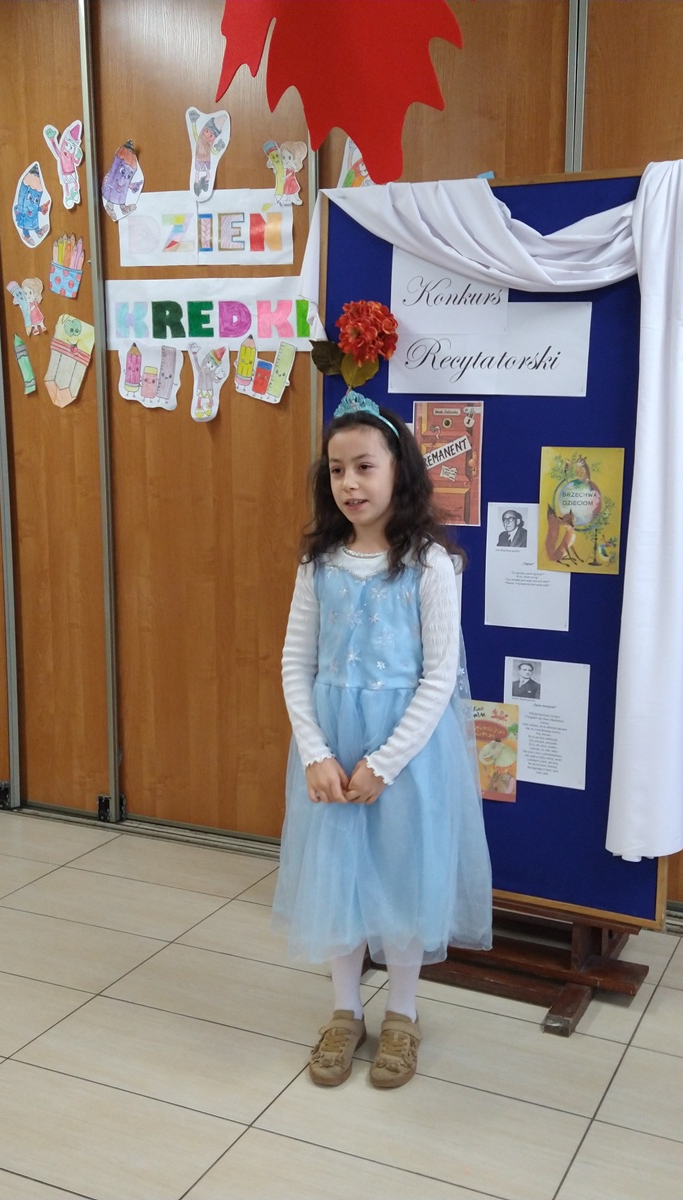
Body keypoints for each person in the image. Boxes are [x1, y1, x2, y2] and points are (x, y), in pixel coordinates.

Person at [274, 389, 492, 1090]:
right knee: (337, 876)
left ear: (399, 470)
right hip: (332, 747)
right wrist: (315, 752)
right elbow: (296, 663)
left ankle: (402, 1012)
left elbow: (439, 677)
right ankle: (345, 1011)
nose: (350, 484)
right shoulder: (319, 564)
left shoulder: (430, 564)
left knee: (403, 876)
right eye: (337, 470)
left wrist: (385, 762)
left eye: (364, 467)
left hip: (407, 757)